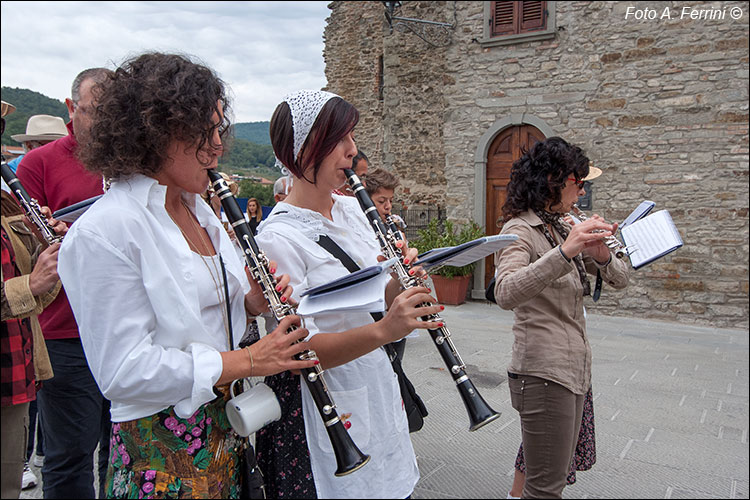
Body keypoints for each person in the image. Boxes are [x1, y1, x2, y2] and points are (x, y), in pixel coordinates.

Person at [56, 52, 317, 499]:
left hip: (226, 432)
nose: (218, 145)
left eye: (220, 129)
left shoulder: (201, 211)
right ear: (156, 129)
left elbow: (208, 311)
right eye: (205, 130)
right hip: (160, 452)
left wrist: (253, 301)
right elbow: (122, 371)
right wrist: (251, 361)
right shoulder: (105, 231)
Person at [254, 89, 442, 499]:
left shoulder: (354, 211)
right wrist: (384, 332)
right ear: (304, 151)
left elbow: (378, 296)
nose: (352, 152)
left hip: (374, 382)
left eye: (351, 138)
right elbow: (300, 349)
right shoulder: (278, 237)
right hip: (324, 403)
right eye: (340, 141)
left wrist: (403, 285)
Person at [493, 136, 630, 499]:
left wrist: (600, 254)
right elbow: (504, 291)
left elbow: (621, 279)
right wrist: (566, 251)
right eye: (578, 181)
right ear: (553, 180)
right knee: (545, 488)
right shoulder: (519, 230)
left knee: (551, 479)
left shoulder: (560, 225)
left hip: (572, 367)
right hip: (542, 372)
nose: (582, 190)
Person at [16, 68, 113, 499]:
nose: (107, 124)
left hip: (125, 325)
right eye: (96, 113)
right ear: (72, 109)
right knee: (70, 455)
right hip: (66, 332)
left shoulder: (132, 162)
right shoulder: (39, 163)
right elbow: (23, 254)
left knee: (128, 450)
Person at [1, 100, 65, 498]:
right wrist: (32, 284)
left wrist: (45, 252)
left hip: (14, 375)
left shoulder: (6, 200)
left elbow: (34, 298)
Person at [508, 387, 595, 498]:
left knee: (553, 450)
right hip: (554, 382)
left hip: (573, 380)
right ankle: (516, 494)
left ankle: (518, 493)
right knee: (545, 442)